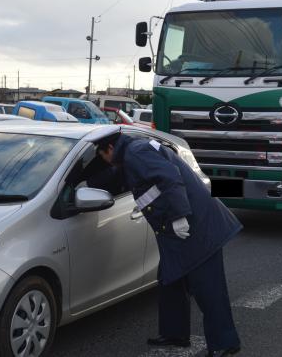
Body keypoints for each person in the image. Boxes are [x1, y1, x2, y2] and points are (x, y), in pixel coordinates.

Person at [91, 132, 242, 357]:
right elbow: (119, 177)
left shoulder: (136, 152)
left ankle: (224, 342)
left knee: (208, 288)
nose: (105, 160)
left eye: (102, 156)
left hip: (195, 227)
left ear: (110, 148)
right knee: (170, 278)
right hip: (177, 228)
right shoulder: (132, 152)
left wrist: (179, 216)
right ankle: (175, 333)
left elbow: (170, 177)